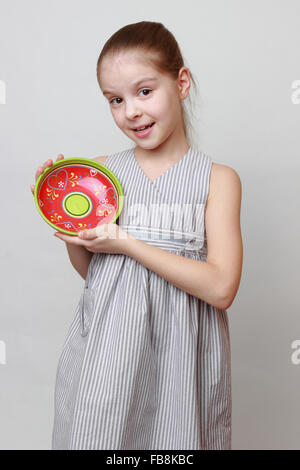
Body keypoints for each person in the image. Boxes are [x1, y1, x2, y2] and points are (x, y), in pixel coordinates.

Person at [30, 20, 243, 450]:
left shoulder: (217, 180)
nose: (131, 111)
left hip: (182, 363)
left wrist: (126, 243)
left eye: (145, 91)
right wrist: (73, 230)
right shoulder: (101, 174)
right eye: (115, 99)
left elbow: (221, 288)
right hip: (108, 356)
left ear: (181, 82)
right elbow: (97, 275)